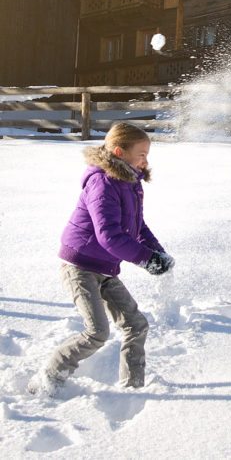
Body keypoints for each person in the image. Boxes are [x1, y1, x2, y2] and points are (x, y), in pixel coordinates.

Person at [28, 122, 174, 396]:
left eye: (147, 154)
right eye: (141, 154)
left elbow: (137, 226)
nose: (146, 160)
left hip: (105, 267)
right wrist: (146, 260)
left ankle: (132, 388)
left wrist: (157, 253)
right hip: (80, 267)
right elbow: (109, 236)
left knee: (136, 324)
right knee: (96, 333)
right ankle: (48, 377)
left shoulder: (129, 182)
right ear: (119, 152)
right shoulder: (103, 183)